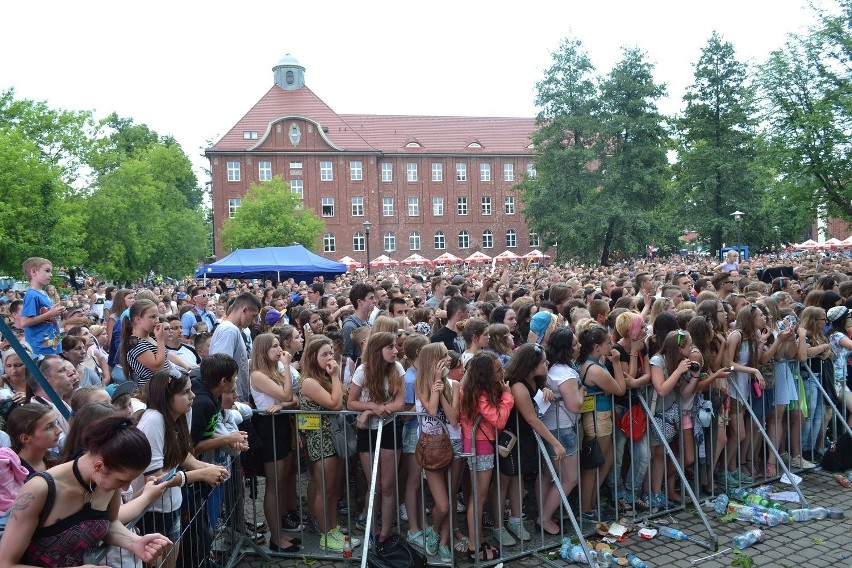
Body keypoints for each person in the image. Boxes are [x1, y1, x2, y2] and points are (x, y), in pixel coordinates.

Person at [0, 413, 172, 567]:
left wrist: (134, 542)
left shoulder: (107, 482)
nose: (125, 487)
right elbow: (6, 563)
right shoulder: (39, 490)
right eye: (122, 480)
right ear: (99, 466)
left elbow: (109, 523)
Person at [134, 371, 229, 568]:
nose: (193, 396)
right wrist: (201, 474)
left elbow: (181, 454)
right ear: (166, 397)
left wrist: (207, 467)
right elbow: (155, 479)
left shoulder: (180, 415)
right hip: (153, 513)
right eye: (186, 392)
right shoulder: (153, 420)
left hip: (171, 506)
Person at [299, 335, 362, 552]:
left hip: (333, 437)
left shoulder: (324, 377)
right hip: (320, 439)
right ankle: (326, 534)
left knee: (334, 489)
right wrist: (335, 376)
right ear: (312, 357)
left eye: (330, 352)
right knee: (324, 489)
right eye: (324, 354)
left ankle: (333, 528)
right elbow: (335, 404)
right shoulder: (309, 381)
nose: (329, 357)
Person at [502, 344, 565, 543]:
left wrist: (544, 390)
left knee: (518, 480)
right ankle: (499, 526)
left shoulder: (534, 381)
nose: (547, 363)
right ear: (531, 365)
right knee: (504, 482)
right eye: (543, 361)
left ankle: (515, 519)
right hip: (512, 438)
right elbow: (531, 418)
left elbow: (536, 404)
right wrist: (555, 443)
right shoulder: (518, 385)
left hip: (525, 437)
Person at [347, 331, 405, 544]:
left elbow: (399, 403)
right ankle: (372, 526)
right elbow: (351, 402)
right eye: (390, 347)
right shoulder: (363, 371)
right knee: (374, 485)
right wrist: (371, 406)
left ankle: (386, 531)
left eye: (395, 346)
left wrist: (372, 411)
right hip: (367, 432)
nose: (395, 351)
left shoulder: (397, 368)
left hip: (389, 428)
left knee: (387, 484)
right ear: (377, 350)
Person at [249, 333, 300, 553]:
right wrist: (287, 365)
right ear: (262, 350)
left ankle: (280, 531)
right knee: (274, 484)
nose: (280, 350)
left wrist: (282, 406)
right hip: (268, 428)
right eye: (274, 346)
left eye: (279, 345)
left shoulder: (275, 370)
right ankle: (275, 537)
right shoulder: (258, 375)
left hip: (281, 423)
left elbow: (295, 399)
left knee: (284, 479)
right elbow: (287, 393)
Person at [460, 351, 513, 562]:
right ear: (485, 373)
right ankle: (475, 547)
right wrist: (508, 396)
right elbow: (498, 420)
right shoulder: (480, 393)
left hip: (479, 444)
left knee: (477, 497)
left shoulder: (475, 389)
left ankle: (478, 541)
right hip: (479, 446)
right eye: (498, 369)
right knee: (478, 498)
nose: (502, 372)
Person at [413, 342, 459, 561]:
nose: (449, 360)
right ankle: (433, 531)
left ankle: (443, 542)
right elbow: (431, 411)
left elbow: (454, 419)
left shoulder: (455, 384)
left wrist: (441, 391)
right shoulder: (419, 384)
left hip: (455, 444)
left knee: (450, 497)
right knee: (442, 504)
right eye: (444, 357)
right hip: (431, 447)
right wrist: (436, 384)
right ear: (433, 361)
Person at [577, 326, 625, 521]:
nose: (612, 346)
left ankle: (591, 502)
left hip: (599, 415)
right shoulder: (595, 368)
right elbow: (620, 389)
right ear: (597, 347)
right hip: (599, 418)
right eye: (608, 343)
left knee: (605, 459)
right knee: (594, 464)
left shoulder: (591, 363)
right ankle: (586, 508)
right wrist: (617, 364)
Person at [538, 328, 583, 534]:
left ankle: (545, 513)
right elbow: (575, 405)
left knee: (548, 473)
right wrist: (582, 390)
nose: (579, 346)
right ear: (566, 349)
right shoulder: (565, 373)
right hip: (562, 428)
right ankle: (545, 517)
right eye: (574, 344)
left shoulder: (552, 369)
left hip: (550, 427)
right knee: (570, 478)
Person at [209, 292, 262, 402]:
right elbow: (221, 369)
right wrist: (231, 403)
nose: (253, 321)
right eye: (253, 316)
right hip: (232, 401)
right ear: (244, 310)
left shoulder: (233, 329)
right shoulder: (229, 330)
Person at [18, 257, 65, 356]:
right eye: (47, 271)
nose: (51, 275)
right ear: (34, 272)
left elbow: (45, 315)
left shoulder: (43, 293)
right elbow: (24, 322)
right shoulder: (32, 295)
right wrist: (50, 314)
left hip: (51, 345)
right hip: (41, 349)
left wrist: (55, 311)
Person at [120, 300, 169, 389]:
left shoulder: (152, 337)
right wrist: (161, 340)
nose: (157, 321)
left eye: (157, 317)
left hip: (164, 386)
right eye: (152, 317)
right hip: (151, 389)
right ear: (138, 319)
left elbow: (165, 360)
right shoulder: (134, 343)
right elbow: (157, 367)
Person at [7, 404, 58, 474]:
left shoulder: (55, 457)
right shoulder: (13, 474)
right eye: (49, 427)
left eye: (56, 423)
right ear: (25, 438)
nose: (59, 430)